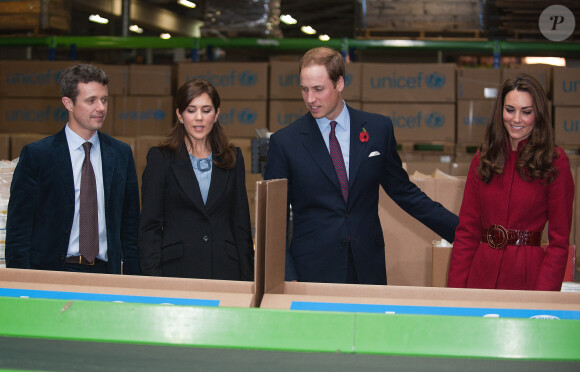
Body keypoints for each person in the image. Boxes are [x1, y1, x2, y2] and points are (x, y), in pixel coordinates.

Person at [264, 47, 458, 284]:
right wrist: (286, 275)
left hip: (367, 267)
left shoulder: (378, 130)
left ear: (340, 84)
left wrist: (462, 232)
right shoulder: (285, 142)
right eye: (304, 89)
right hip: (311, 272)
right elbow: (274, 219)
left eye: (318, 89)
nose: (310, 99)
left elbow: (404, 192)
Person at [6, 64, 140, 274]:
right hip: (51, 273)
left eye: (104, 100)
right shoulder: (38, 155)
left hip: (105, 273)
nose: (101, 108)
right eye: (91, 100)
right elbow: (19, 230)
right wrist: (22, 285)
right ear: (68, 103)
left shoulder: (120, 154)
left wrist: (134, 280)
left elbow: (130, 227)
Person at [447, 73, 574, 291]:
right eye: (510, 110)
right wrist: (456, 293)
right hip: (481, 278)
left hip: (529, 282)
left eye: (526, 112)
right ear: (500, 111)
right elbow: (466, 233)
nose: (516, 119)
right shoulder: (482, 158)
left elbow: (559, 242)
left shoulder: (555, 162)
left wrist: (543, 300)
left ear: (539, 114)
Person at [139, 79, 254, 280]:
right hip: (176, 271)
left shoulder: (232, 158)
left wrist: (249, 280)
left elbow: (240, 223)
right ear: (179, 115)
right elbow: (150, 227)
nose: (199, 118)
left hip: (225, 270)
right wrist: (152, 280)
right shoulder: (161, 159)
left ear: (216, 114)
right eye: (191, 110)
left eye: (206, 110)